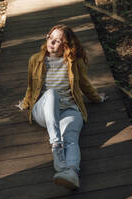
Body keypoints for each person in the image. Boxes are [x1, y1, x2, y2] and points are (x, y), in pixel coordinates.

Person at [16, 24, 107, 189]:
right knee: (51, 93)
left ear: (67, 45)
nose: (52, 43)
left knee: (71, 139)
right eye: (50, 38)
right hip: (43, 111)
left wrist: (97, 98)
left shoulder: (74, 62)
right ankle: (56, 145)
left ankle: (71, 173)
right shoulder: (35, 60)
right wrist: (26, 103)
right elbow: (31, 86)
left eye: (58, 41)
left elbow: (84, 84)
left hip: (69, 110)